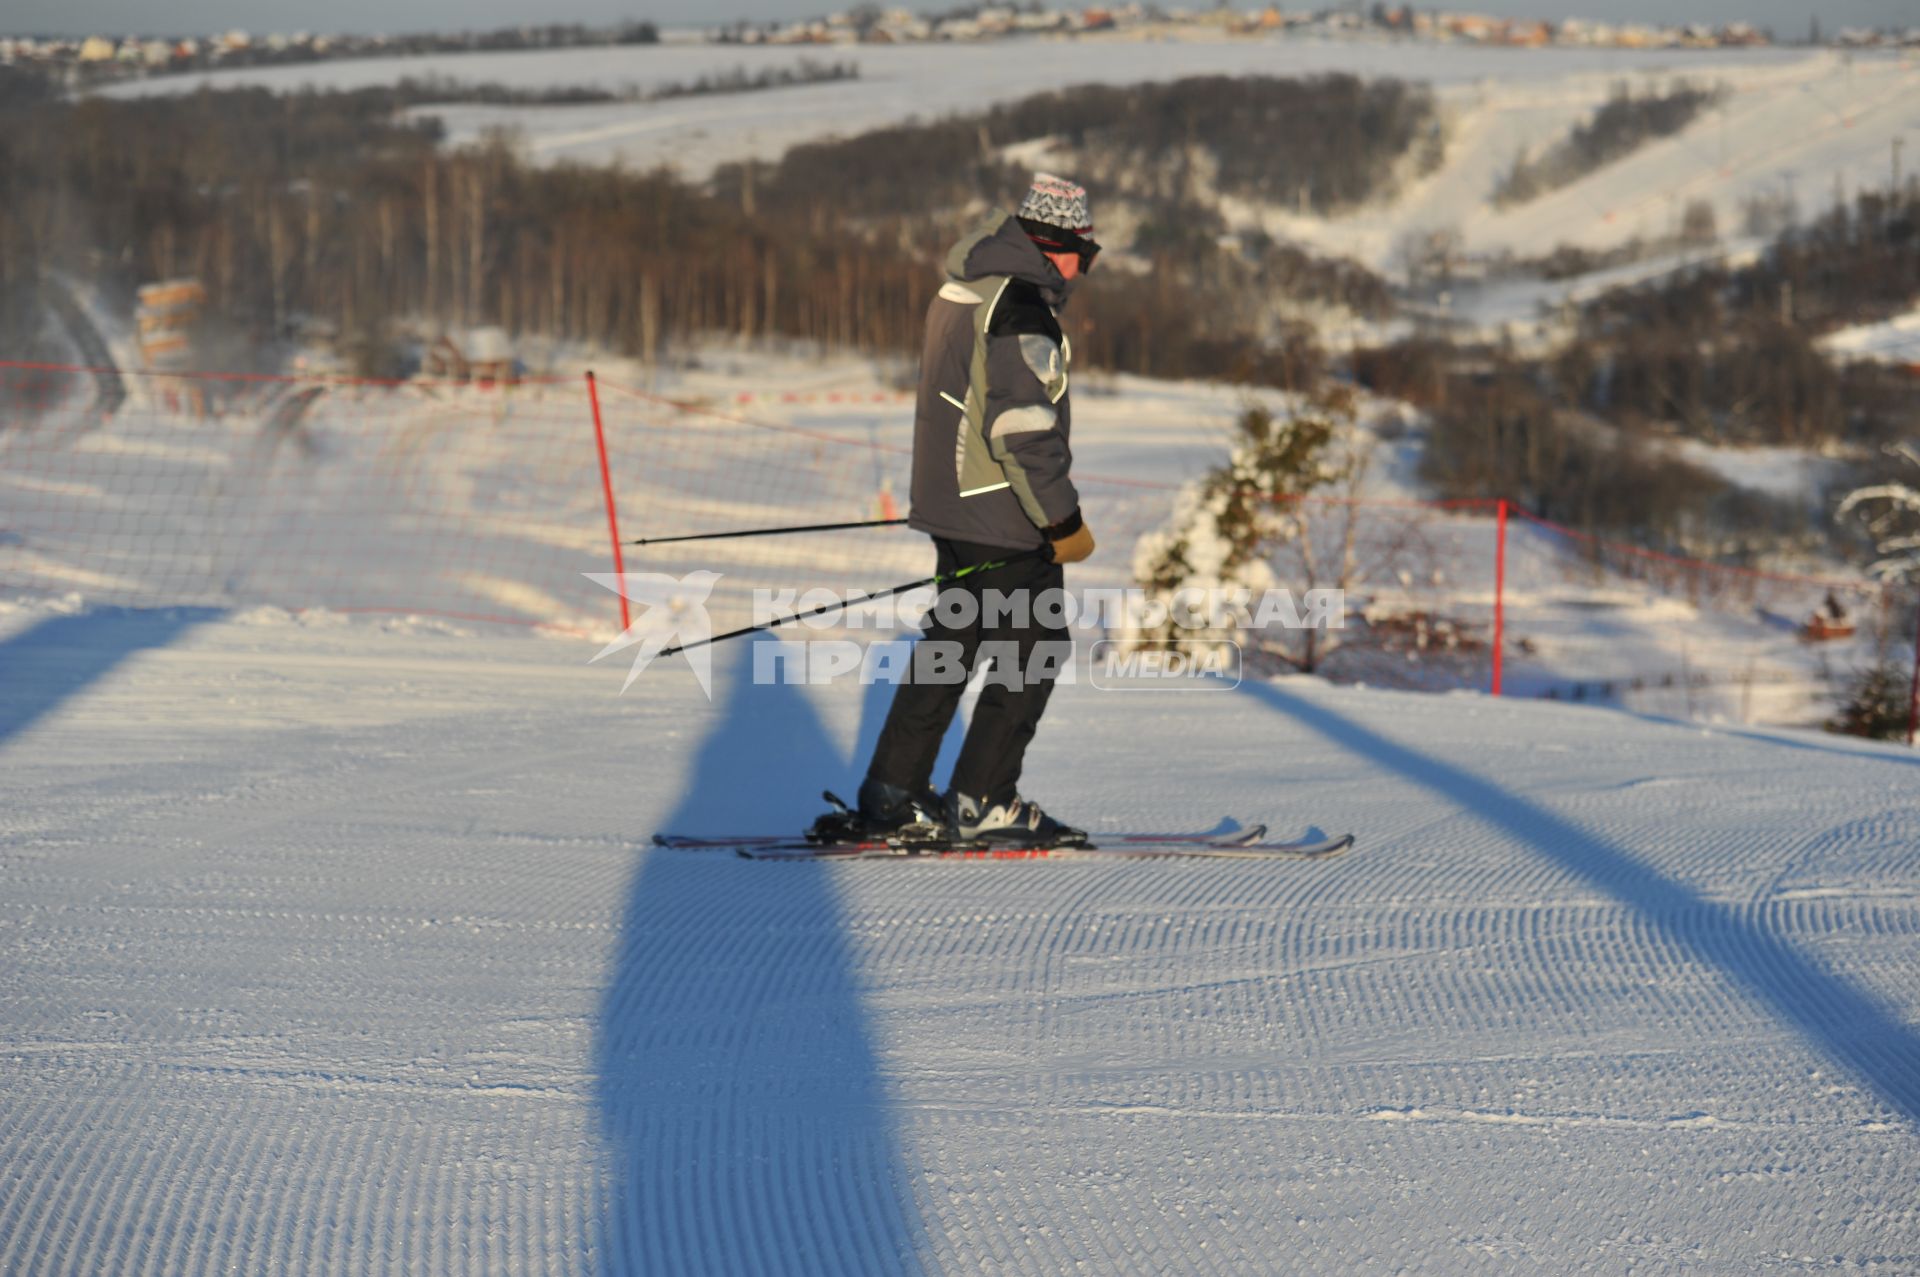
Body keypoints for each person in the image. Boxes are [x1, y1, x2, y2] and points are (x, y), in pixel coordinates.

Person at [854, 174, 1100, 846]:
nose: (1085, 267)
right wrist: (1063, 522)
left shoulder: (964, 289)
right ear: (1057, 244)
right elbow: (1022, 428)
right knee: (1033, 651)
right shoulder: (1021, 306)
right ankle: (984, 799)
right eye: (1088, 250)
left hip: (953, 509)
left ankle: (891, 795)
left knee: (951, 645)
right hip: (1006, 516)